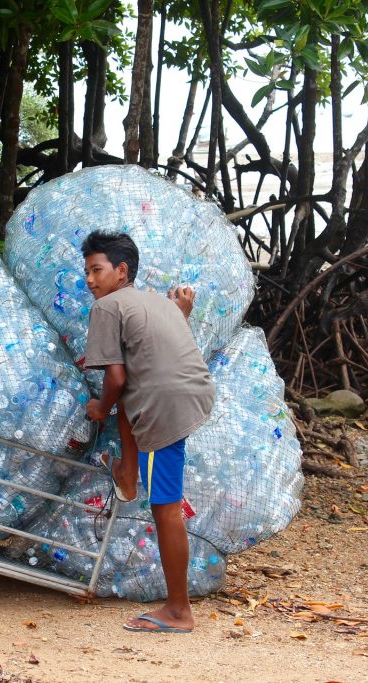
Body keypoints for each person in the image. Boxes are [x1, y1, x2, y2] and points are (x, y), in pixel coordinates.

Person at [81, 230, 216, 634]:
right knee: (128, 400)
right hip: (194, 390)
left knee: (165, 507)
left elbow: (117, 380)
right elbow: (155, 343)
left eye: (97, 270)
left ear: (121, 272)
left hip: (165, 405)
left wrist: (99, 407)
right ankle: (127, 470)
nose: (90, 280)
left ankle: (178, 611)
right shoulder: (156, 301)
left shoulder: (106, 308)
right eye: (86, 272)